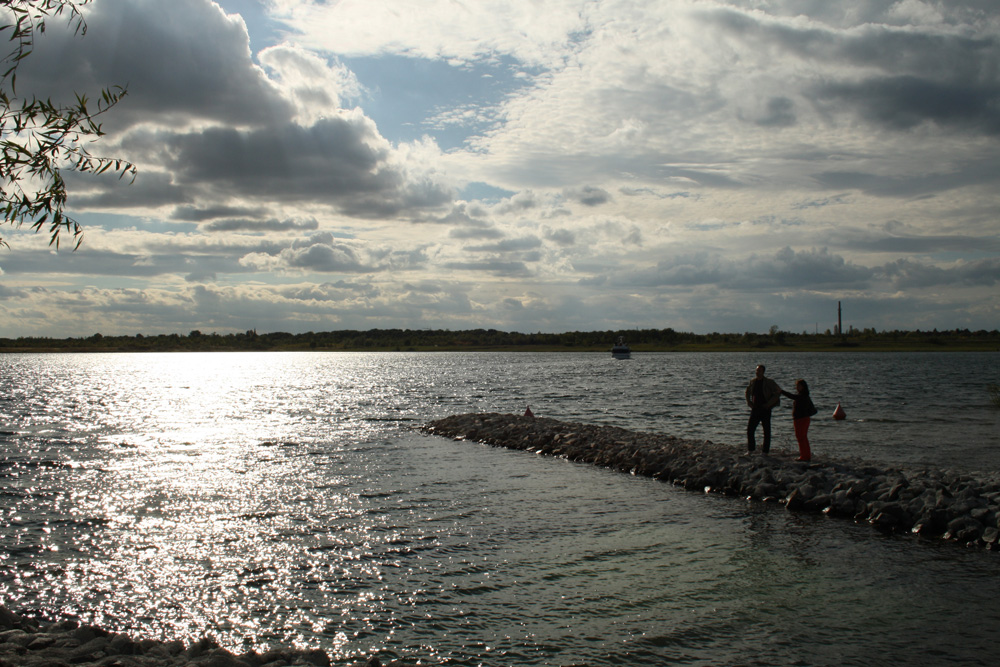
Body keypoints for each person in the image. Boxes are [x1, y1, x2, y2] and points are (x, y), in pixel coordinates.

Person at [745, 364, 781, 454]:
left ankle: (765, 451)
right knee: (750, 429)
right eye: (757, 371)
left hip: (765, 409)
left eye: (759, 371)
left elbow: (778, 392)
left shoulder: (769, 382)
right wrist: (748, 402)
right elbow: (747, 391)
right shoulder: (753, 381)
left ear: (763, 372)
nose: (757, 372)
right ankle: (751, 449)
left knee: (766, 431)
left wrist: (769, 404)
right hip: (755, 408)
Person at [781, 379, 817, 462]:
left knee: (801, 438)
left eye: (799, 386)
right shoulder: (805, 395)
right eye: (797, 386)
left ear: (803, 387)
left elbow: (792, 396)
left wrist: (781, 391)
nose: (797, 387)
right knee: (803, 438)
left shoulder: (802, 396)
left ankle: (804, 456)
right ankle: (806, 455)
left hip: (801, 419)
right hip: (804, 419)